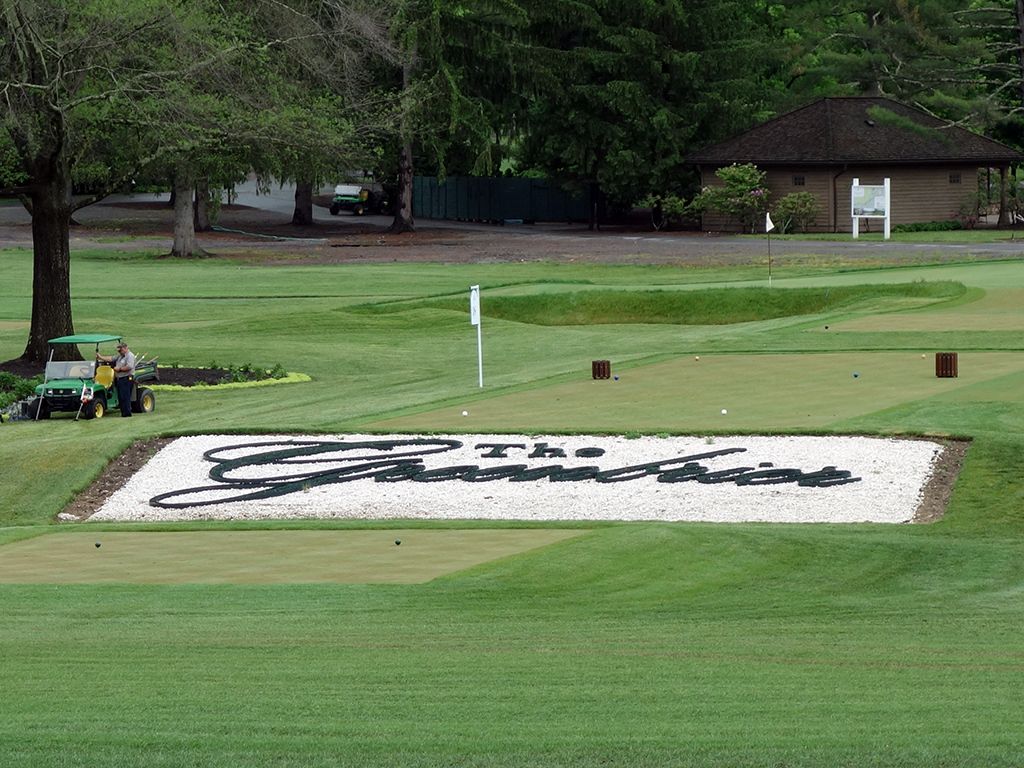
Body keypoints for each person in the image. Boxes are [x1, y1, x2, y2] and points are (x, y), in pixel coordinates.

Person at [97, 341, 136, 417]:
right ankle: (123, 412)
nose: (119, 352)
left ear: (125, 348)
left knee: (125, 396)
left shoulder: (130, 356)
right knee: (121, 396)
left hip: (127, 378)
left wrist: (119, 369)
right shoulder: (120, 356)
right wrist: (100, 357)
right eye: (118, 351)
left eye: (120, 350)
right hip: (120, 379)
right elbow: (111, 358)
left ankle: (127, 413)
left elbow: (129, 366)